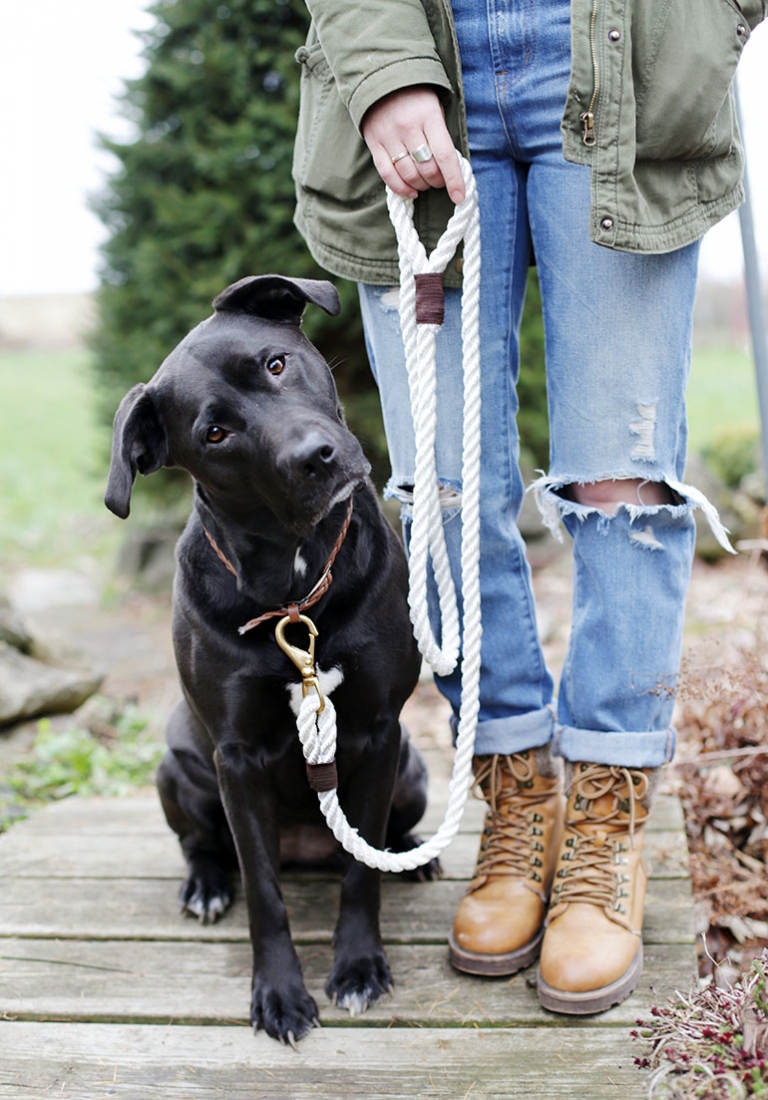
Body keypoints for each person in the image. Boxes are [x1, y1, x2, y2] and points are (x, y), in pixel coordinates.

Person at [292, 0, 765, 1013]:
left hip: (622, 56)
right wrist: (379, 68)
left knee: (624, 482)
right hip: (427, 54)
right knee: (442, 483)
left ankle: (604, 817)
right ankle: (515, 792)